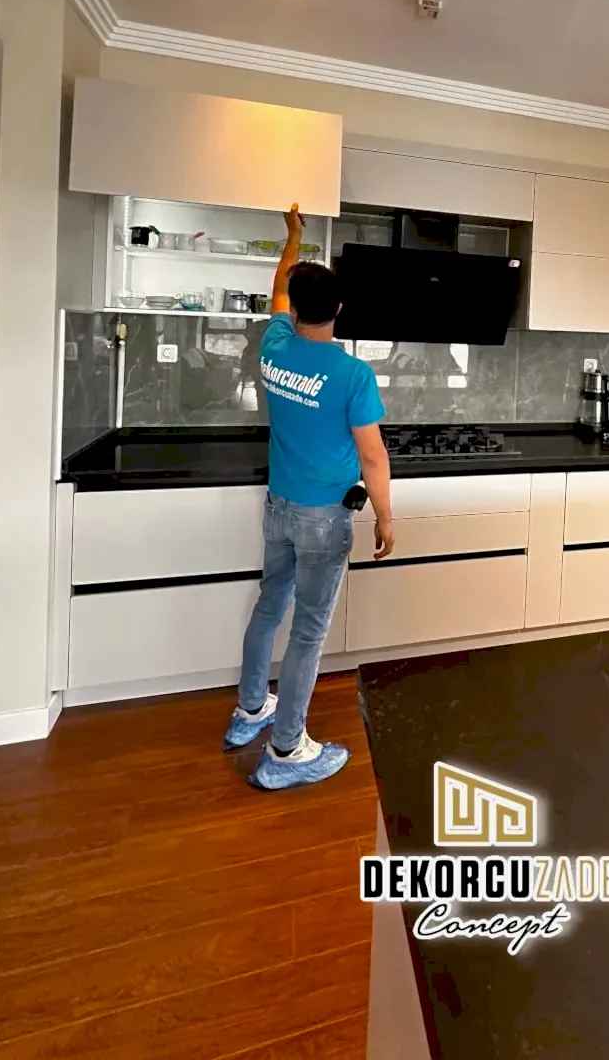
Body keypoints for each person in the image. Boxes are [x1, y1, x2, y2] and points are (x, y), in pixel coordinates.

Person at [225, 205, 395, 790]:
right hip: (324, 518)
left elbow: (280, 286)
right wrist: (385, 517)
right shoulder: (353, 375)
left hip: (279, 508)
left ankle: (251, 709)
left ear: (295, 309)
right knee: (308, 631)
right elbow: (373, 456)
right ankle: (286, 750)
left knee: (270, 606)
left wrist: (292, 239)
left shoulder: (274, 345)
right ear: (339, 310)